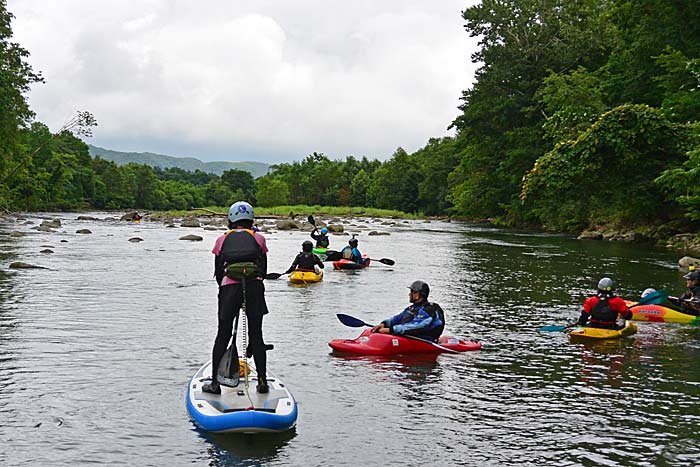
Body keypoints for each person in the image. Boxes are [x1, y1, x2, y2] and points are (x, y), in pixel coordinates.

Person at [203, 201, 270, 395]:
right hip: (254, 288)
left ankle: (215, 384)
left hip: (229, 289)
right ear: (250, 219)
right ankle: (262, 382)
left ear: (231, 219)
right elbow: (263, 269)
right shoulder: (259, 238)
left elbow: (218, 272)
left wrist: (224, 292)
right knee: (256, 334)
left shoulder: (222, 240)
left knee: (223, 334)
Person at [371, 280, 445, 341]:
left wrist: (391, 330)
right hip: (409, 337)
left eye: (411, 292)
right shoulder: (411, 308)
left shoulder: (428, 309)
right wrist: (384, 324)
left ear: (417, 294)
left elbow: (417, 326)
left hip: (423, 340)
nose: (409, 294)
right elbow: (397, 318)